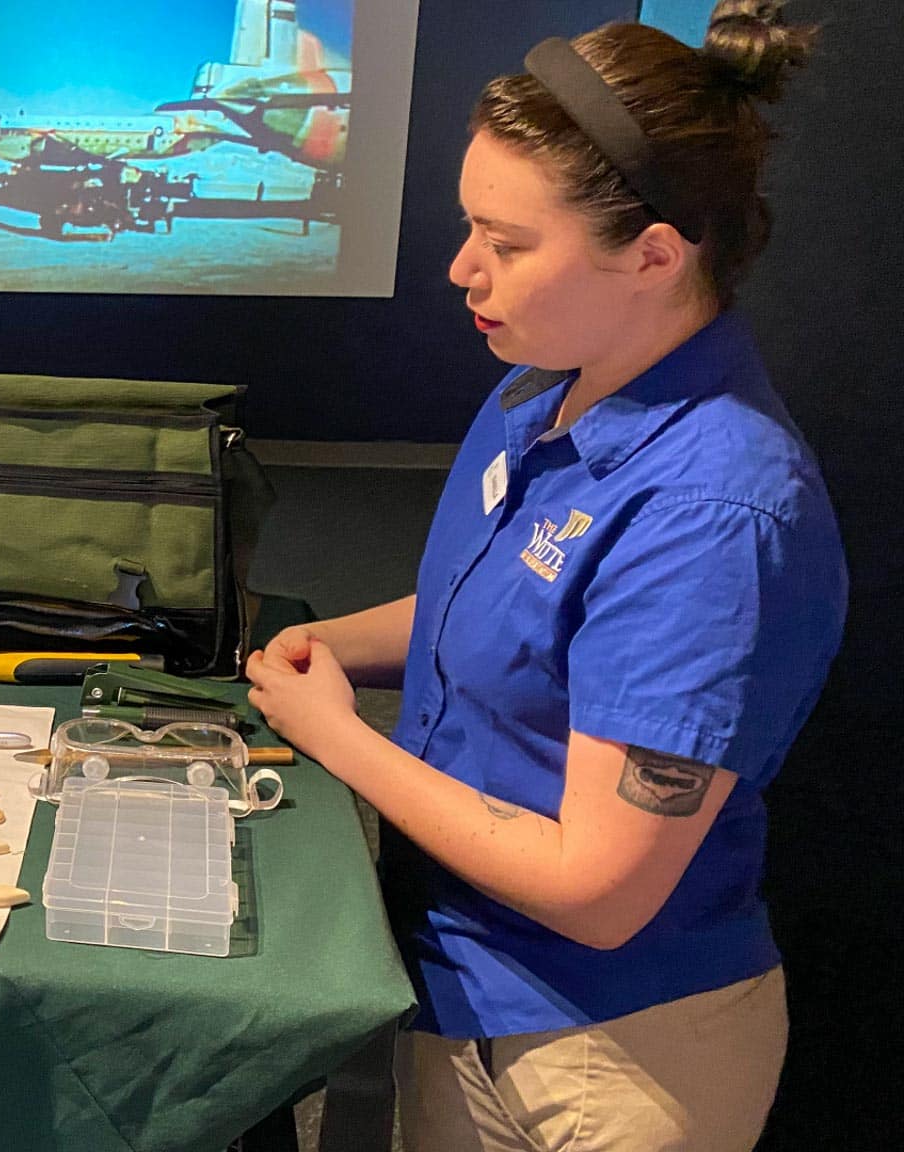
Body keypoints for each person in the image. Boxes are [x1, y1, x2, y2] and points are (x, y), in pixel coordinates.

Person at [243, 4, 844, 1150]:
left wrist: (334, 735)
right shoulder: (538, 384)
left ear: (654, 254)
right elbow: (503, 614)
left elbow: (595, 890)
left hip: (607, 1053)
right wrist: (332, 649)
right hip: (457, 979)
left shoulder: (713, 514)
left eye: (506, 244)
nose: (460, 269)